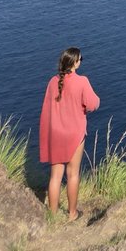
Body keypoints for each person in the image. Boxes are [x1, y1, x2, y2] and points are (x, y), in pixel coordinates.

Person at [39, 46, 100, 220]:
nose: (81, 61)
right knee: (73, 174)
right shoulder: (82, 81)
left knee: (55, 177)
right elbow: (93, 104)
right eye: (81, 59)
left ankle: (52, 215)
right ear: (75, 62)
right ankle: (72, 213)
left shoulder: (53, 82)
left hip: (55, 134)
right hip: (74, 134)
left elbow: (47, 109)